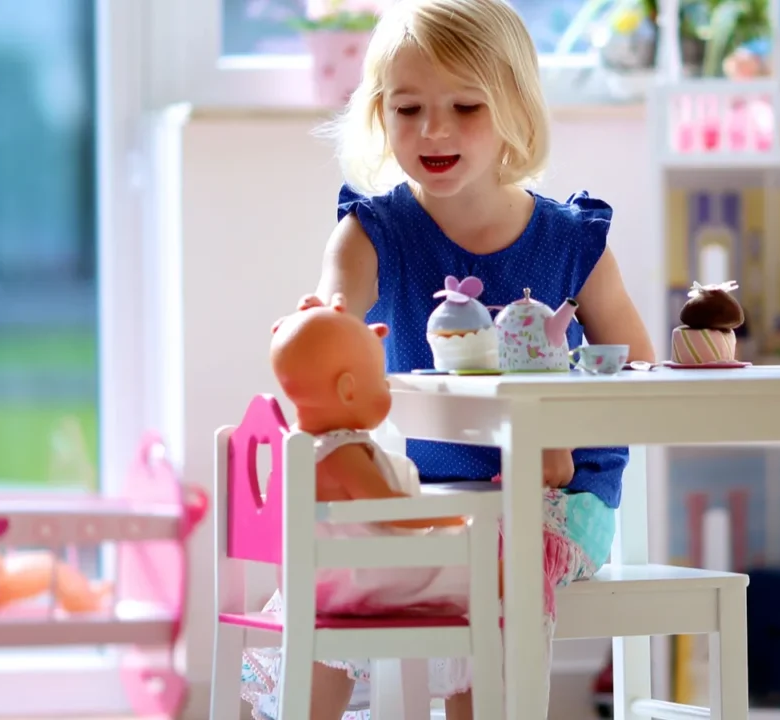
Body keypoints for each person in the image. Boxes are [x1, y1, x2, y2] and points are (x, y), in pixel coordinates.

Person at [238, 0, 655, 718]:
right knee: (338, 562)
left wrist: (559, 427)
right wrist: (318, 325)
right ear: (379, 113)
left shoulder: (573, 241)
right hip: (430, 502)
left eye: (466, 106)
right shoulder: (370, 233)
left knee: (499, 572)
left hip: (558, 502)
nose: (434, 130)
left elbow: (637, 367)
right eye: (408, 109)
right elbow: (328, 328)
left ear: (515, 110)